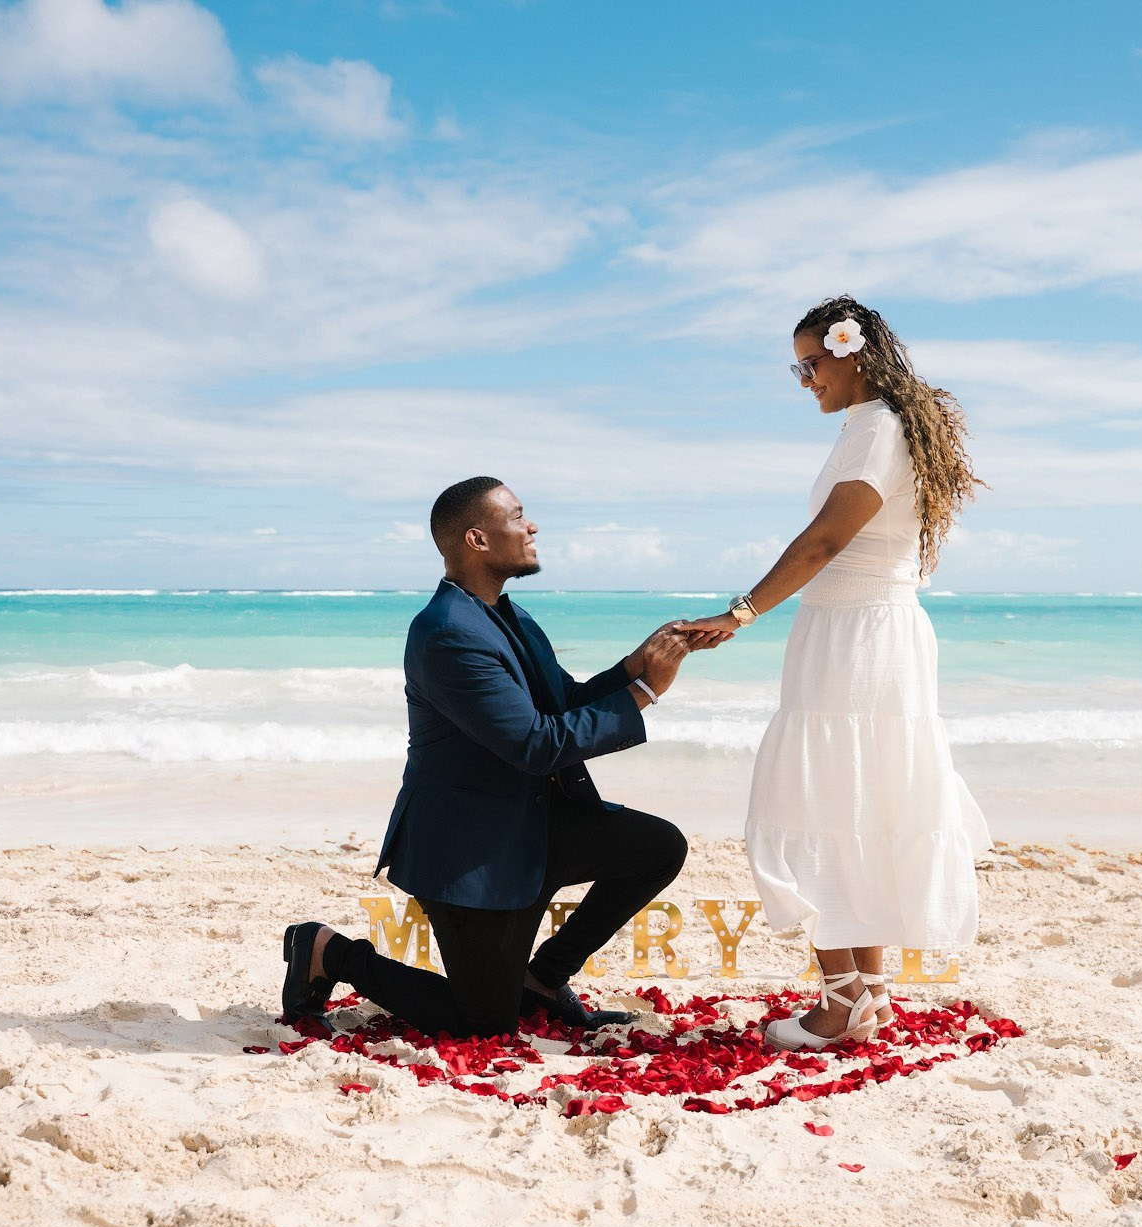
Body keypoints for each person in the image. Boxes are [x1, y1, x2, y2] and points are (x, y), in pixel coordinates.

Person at [279, 477, 724, 1037]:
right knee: (483, 1024)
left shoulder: (506, 616)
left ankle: (544, 979)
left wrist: (643, 660)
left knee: (656, 847)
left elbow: (562, 704)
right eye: (517, 516)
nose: (532, 525)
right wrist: (646, 693)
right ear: (477, 539)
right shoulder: (446, 632)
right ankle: (327, 952)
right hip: (471, 850)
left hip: (531, 823)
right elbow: (536, 745)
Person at [682, 295, 990, 1050]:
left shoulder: (876, 429)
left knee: (818, 801)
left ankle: (845, 998)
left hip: (856, 636)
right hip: (867, 632)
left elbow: (823, 542)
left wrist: (740, 612)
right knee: (858, 801)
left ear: (852, 351)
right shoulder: (876, 426)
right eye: (799, 366)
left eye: (811, 363)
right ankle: (867, 997)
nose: (804, 379)